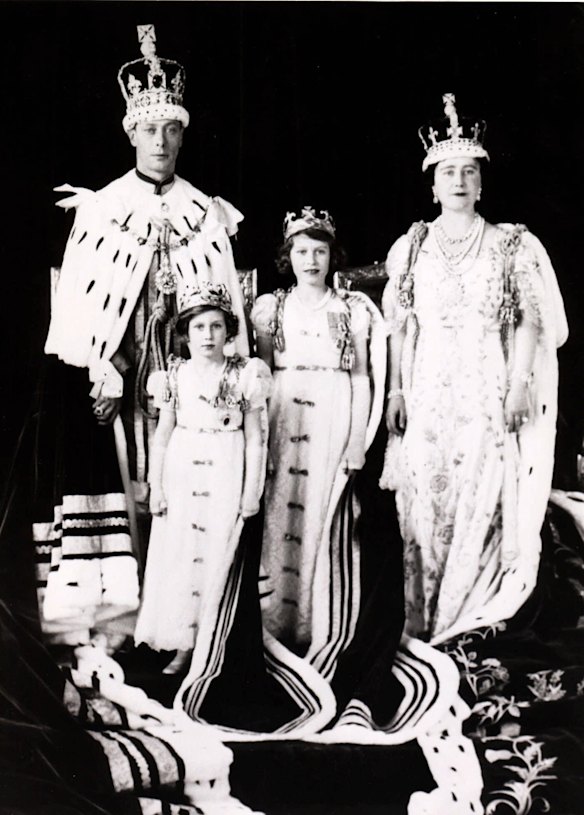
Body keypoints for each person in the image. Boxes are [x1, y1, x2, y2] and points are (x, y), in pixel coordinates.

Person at [31, 25, 249, 647]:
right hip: (123, 376)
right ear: (131, 132)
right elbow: (78, 312)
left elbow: (226, 306)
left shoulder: (205, 212)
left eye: (172, 129)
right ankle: (124, 620)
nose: (161, 141)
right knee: (129, 483)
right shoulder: (100, 211)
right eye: (150, 130)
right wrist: (102, 367)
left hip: (189, 376)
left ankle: (185, 620)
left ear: (183, 133)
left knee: (186, 487)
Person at [380, 93, 568, 643]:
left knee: (480, 495)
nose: (458, 181)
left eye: (468, 171)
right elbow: (401, 326)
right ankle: (421, 624)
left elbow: (531, 324)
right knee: (424, 499)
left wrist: (519, 385)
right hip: (428, 387)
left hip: (487, 386)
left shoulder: (512, 243)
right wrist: (396, 391)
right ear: (431, 183)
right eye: (447, 172)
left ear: (481, 183)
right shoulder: (411, 246)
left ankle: (465, 623)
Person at [251, 207, 387, 656]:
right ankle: (275, 626)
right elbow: (265, 374)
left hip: (332, 414)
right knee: (279, 520)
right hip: (284, 417)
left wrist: (355, 441)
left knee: (321, 520)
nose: (311, 261)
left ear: (333, 256)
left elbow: (362, 378)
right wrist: (263, 440)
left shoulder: (351, 310)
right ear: (287, 256)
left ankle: (318, 626)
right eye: (302, 251)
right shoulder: (272, 309)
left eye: (320, 251)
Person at [133, 283, 271, 673]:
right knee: (180, 553)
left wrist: (251, 493)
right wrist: (156, 486)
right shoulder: (174, 377)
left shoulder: (246, 374)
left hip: (225, 467)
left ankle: (216, 642)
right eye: (198, 327)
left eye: (215, 327)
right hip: (182, 468)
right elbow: (162, 436)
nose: (207, 336)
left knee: (217, 554)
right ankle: (183, 643)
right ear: (185, 333)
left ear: (229, 331)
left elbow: (255, 439)